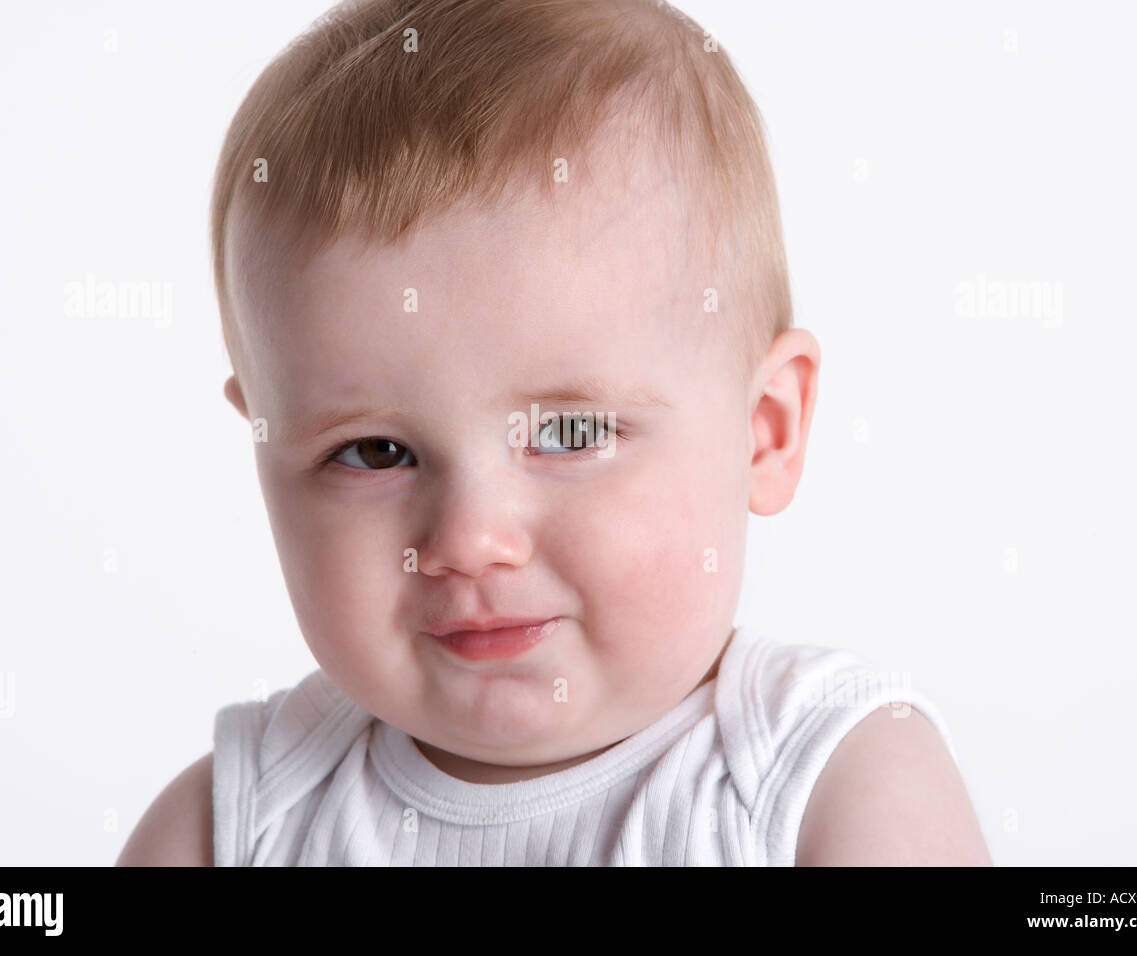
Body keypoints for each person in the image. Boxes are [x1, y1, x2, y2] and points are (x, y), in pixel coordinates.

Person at [117, 0, 990, 866]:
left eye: (569, 432)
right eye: (376, 451)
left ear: (763, 431)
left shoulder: (830, 784)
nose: (468, 541)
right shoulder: (230, 830)